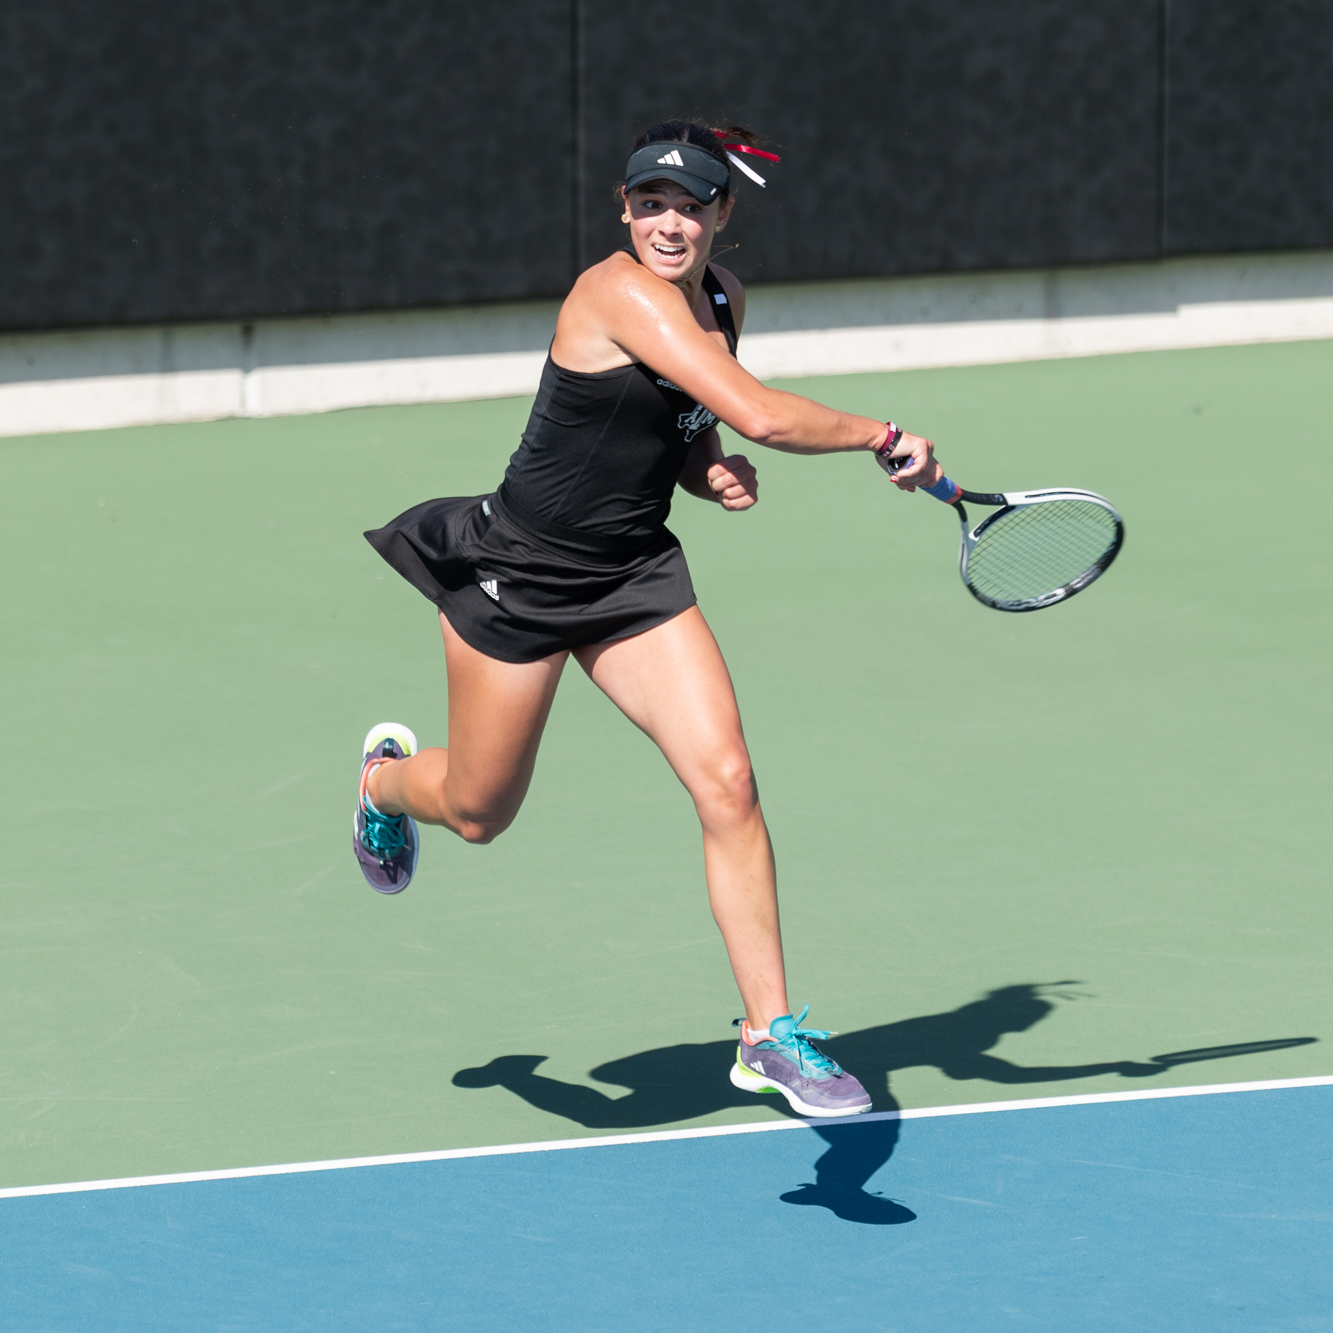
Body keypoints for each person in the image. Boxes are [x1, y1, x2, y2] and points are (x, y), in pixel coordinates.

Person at [353, 119, 941, 1119]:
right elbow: (758, 411)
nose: (668, 223)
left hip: (633, 575)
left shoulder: (720, 297)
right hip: (524, 573)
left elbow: (690, 416)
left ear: (723, 213)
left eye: (689, 204)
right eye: (648, 204)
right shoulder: (611, 290)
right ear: (623, 211)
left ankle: (769, 1035)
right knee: (479, 812)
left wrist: (701, 470)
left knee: (728, 782)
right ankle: (383, 781)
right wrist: (881, 435)